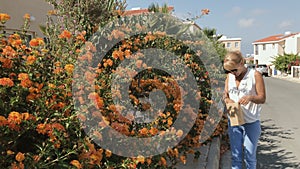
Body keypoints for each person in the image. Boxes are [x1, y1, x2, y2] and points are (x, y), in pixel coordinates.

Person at [223, 51, 266, 169]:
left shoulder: (255, 75)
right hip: (234, 120)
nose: (233, 73)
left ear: (242, 63)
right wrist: (227, 100)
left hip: (251, 122)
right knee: (235, 156)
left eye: (234, 70)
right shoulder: (229, 77)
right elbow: (225, 95)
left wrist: (251, 97)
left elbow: (262, 98)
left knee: (250, 157)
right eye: (229, 71)